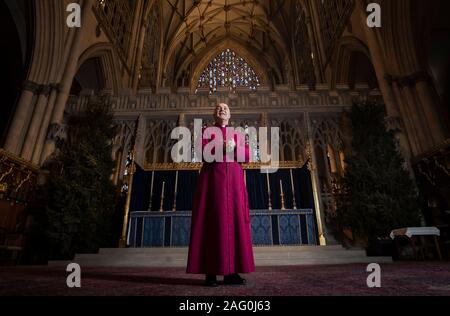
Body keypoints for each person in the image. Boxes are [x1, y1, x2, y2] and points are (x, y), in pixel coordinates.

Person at [187, 103, 255, 287]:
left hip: (234, 186)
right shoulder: (207, 132)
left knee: (234, 224)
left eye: (225, 108)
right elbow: (201, 152)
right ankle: (210, 273)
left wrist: (234, 148)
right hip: (213, 186)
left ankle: (231, 273)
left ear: (230, 114)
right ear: (214, 114)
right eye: (218, 108)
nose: (222, 110)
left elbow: (248, 156)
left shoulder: (238, 134)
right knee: (212, 224)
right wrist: (222, 147)